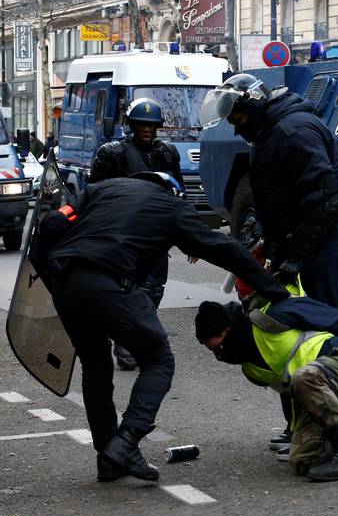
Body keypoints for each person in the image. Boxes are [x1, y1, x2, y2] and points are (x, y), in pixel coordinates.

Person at [34, 172, 290, 483]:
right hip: (108, 280)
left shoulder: (100, 189)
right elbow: (226, 250)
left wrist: (52, 276)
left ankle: (108, 457)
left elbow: (51, 225)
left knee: (95, 364)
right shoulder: (170, 207)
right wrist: (276, 292)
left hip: (63, 280)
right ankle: (126, 442)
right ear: (172, 192)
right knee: (158, 358)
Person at [200, 74, 338, 460]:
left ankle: (326, 432)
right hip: (296, 245)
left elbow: (326, 201)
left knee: (311, 340)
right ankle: (300, 427)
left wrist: (296, 258)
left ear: (252, 109)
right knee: (288, 338)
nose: (237, 130)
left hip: (317, 247)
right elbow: (281, 199)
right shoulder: (272, 131)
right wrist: (270, 245)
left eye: (237, 120)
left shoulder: (292, 132)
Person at [194, 283, 338, 482]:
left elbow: (331, 315)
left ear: (227, 330)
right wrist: (296, 433)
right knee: (302, 460)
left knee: (303, 377)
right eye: (210, 349)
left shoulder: (267, 318)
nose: (217, 353)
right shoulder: (250, 369)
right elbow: (289, 392)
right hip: (323, 394)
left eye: (215, 344)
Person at [88, 97, 183, 371]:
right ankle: (124, 337)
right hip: (123, 233)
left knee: (154, 289)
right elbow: (94, 191)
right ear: (131, 125)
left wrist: (186, 234)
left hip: (156, 233)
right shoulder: (112, 153)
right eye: (141, 124)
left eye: (151, 125)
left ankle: (140, 335)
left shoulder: (167, 152)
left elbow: (177, 193)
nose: (146, 130)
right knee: (127, 286)